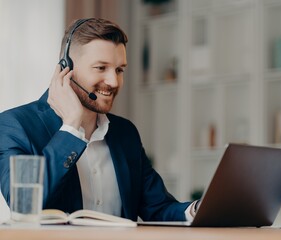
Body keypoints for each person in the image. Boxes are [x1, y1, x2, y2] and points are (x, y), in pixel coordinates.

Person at [0, 18, 197, 222]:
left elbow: (158, 207)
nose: (113, 81)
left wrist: (197, 209)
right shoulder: (13, 125)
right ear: (66, 69)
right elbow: (22, 205)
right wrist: (71, 127)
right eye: (101, 68)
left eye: (119, 70)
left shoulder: (125, 132)